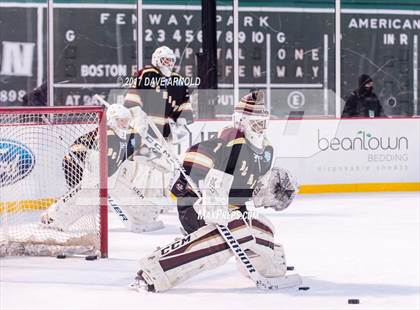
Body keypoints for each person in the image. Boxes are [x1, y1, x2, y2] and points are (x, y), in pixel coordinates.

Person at [131, 90, 299, 292]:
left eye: (263, 121)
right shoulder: (230, 141)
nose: (261, 127)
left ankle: (265, 266)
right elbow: (196, 156)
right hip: (197, 206)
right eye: (255, 122)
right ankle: (155, 270)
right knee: (230, 235)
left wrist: (269, 192)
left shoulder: (267, 151)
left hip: (233, 209)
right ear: (241, 122)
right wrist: (202, 186)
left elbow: (254, 186)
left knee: (263, 229)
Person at [41, 104, 167, 233]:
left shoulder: (130, 134)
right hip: (83, 169)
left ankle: (146, 216)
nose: (125, 123)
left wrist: (156, 160)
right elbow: (77, 151)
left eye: (127, 120)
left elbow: (141, 149)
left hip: (110, 174)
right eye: (121, 120)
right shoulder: (102, 134)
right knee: (87, 197)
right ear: (112, 120)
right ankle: (55, 217)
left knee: (127, 192)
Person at [123, 45, 194, 205]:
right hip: (144, 131)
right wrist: (137, 114)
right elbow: (133, 95)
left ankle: (157, 197)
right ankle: (135, 197)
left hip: (164, 132)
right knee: (142, 163)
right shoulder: (147, 74)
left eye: (171, 60)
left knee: (163, 166)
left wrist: (182, 119)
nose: (168, 63)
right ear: (156, 59)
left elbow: (184, 103)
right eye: (165, 60)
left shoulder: (178, 80)